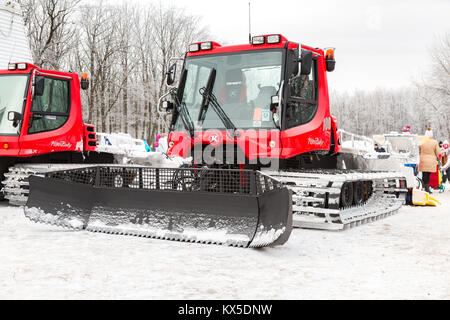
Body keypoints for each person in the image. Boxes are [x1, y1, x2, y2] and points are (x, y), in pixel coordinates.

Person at [419, 129, 440, 193]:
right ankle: (426, 187)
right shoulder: (434, 142)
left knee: (423, 174)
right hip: (431, 161)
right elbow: (438, 152)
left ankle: (423, 187)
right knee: (428, 174)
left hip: (422, 160)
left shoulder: (421, 141)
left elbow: (418, 150)